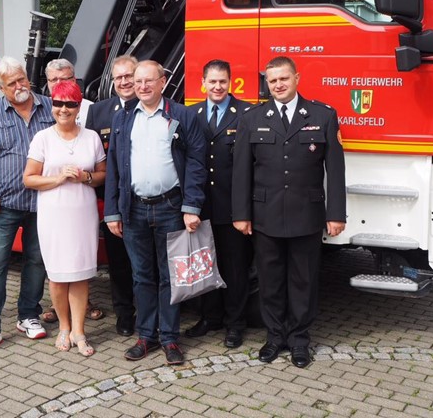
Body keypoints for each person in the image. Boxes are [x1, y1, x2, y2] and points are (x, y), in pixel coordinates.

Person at [232, 56, 346, 369]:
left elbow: (335, 171)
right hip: (265, 216)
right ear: (266, 84)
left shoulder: (323, 115)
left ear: (296, 78)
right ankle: (274, 338)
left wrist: (336, 214)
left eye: (283, 78)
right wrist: (241, 214)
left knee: (303, 281)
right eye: (272, 81)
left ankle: (299, 341)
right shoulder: (252, 118)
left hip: (306, 216)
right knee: (270, 282)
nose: (278, 85)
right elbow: (242, 171)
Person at [104, 60, 206, 365]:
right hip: (133, 209)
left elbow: (197, 163)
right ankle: (146, 335)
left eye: (149, 81)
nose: (143, 87)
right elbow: (113, 168)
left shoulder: (182, 116)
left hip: (171, 208)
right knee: (142, 276)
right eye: (138, 82)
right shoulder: (123, 118)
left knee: (171, 277)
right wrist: (112, 212)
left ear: (163, 82)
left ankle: (170, 338)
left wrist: (192, 206)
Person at [0, 57, 53, 356]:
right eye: (12, 83)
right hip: (4, 203)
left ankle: (28, 314)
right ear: (0, 87)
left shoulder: (50, 107)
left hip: (43, 203)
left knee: (36, 261)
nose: (19, 86)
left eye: (22, 79)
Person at [23, 81, 106, 357]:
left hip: (82, 213)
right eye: (58, 103)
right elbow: (29, 178)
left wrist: (85, 177)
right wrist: (58, 177)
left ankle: (80, 332)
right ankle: (63, 327)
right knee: (58, 276)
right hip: (53, 214)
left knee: (81, 275)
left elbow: (102, 174)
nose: (64, 109)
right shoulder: (43, 138)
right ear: (52, 106)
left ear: (79, 106)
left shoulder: (91, 137)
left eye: (70, 103)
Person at [185, 59, 252, 348]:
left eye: (222, 81)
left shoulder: (247, 113)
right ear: (203, 83)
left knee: (235, 269)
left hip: (232, 208)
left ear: (231, 82)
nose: (217, 86)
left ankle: (235, 324)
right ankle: (209, 317)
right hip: (202, 207)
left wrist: (246, 210)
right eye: (212, 81)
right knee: (205, 266)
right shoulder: (192, 114)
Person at [41, 58, 105, 323]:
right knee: (54, 261)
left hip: (83, 200)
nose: (59, 85)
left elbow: (101, 164)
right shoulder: (44, 110)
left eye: (65, 79)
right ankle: (59, 310)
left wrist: (86, 177)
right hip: (53, 202)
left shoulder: (93, 111)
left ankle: (81, 307)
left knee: (79, 260)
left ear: (75, 79)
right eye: (54, 80)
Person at [85, 55, 138, 337]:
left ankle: (149, 311)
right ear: (112, 81)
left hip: (144, 201)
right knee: (118, 263)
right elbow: (95, 159)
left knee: (146, 262)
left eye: (129, 75)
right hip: (114, 200)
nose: (125, 82)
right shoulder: (99, 112)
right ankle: (124, 314)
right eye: (119, 77)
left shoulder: (152, 106)